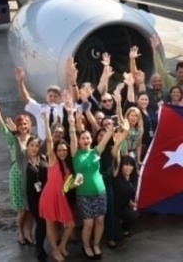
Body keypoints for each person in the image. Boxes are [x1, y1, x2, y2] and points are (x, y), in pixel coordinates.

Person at [69, 93, 115, 259]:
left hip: (100, 192)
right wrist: (71, 119)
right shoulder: (76, 154)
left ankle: (96, 245)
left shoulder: (97, 151)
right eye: (83, 138)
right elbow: (72, 135)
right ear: (80, 141)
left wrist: (116, 101)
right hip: (84, 195)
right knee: (88, 223)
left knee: (100, 221)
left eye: (88, 137)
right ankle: (86, 246)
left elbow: (109, 134)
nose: (86, 140)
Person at [0, 100, 33, 246]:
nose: (23, 127)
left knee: (30, 209)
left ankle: (29, 234)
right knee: (22, 209)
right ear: (16, 127)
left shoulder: (33, 139)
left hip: (31, 175)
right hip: (17, 175)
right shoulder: (13, 138)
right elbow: (2, 128)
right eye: (20, 124)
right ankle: (20, 232)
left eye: (25, 124)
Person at [39, 113, 79, 261]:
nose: (62, 152)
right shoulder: (52, 159)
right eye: (59, 150)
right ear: (56, 151)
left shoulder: (67, 164)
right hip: (49, 195)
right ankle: (55, 251)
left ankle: (62, 246)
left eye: (64, 150)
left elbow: (67, 186)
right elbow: (49, 140)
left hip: (61, 196)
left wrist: (75, 184)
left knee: (70, 225)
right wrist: (45, 123)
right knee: (50, 225)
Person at [23, 135, 48, 261]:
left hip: (45, 196)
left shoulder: (42, 157)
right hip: (33, 197)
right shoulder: (23, 160)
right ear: (27, 146)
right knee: (41, 223)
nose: (34, 148)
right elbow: (16, 146)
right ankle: (39, 249)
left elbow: (49, 139)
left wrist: (49, 122)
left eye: (37, 145)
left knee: (44, 223)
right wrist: (14, 132)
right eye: (31, 145)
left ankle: (41, 246)